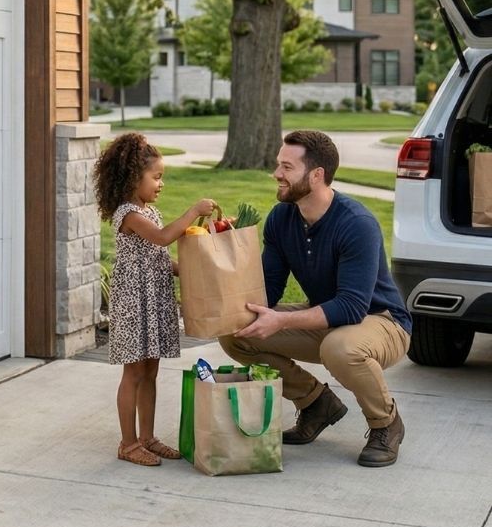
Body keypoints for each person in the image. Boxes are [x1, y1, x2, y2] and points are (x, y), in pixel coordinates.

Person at [219, 129, 412, 467]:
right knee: (237, 334)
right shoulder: (282, 218)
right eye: (279, 165)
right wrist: (226, 254)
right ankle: (315, 404)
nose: (276, 174)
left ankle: (386, 424)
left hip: (382, 321)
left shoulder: (357, 224)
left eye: (287, 167)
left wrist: (283, 320)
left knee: (339, 348)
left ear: (317, 175)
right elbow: (269, 291)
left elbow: (352, 307)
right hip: (329, 319)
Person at [93, 132, 217, 466]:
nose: (161, 184)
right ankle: (128, 443)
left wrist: (190, 268)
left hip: (155, 297)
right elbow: (162, 240)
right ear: (134, 178)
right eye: (156, 177)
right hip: (135, 301)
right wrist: (193, 211)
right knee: (133, 374)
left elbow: (159, 257)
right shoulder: (129, 214)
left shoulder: (149, 211)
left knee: (151, 372)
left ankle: (147, 437)